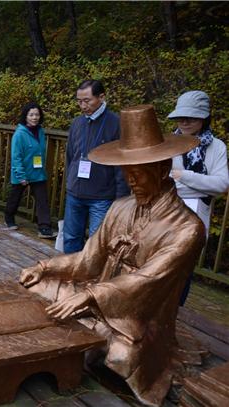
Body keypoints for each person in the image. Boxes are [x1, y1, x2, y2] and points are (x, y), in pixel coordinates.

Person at [20, 105, 204, 407]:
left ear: (161, 169)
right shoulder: (120, 208)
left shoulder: (187, 228)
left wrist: (90, 297)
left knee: (121, 355)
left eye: (138, 174)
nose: (131, 182)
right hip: (97, 295)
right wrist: (44, 267)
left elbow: (148, 280)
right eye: (126, 174)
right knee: (35, 285)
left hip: (137, 317)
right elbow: (88, 260)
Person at [166, 90, 229, 304]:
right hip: (164, 214)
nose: (184, 121)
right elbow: (164, 182)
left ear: (203, 117)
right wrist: (201, 184)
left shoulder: (216, 146)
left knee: (183, 270)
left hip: (195, 219)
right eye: (180, 117)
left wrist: (184, 175)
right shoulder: (169, 142)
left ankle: (172, 315)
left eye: (191, 117)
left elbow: (221, 184)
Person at [63, 79, 129, 253]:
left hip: (101, 196)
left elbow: (122, 164)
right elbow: (70, 155)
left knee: (97, 244)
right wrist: (69, 182)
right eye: (79, 101)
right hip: (74, 192)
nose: (82, 105)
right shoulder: (77, 122)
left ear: (101, 97)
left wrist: (120, 199)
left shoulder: (116, 123)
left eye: (87, 100)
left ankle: (91, 280)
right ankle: (68, 276)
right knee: (70, 238)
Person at [4, 102, 56, 239]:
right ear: (25, 116)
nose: (35, 117)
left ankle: (44, 227)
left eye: (37, 114)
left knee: (42, 200)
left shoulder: (40, 131)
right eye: (31, 115)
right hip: (22, 172)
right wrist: (21, 175)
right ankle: (9, 217)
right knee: (15, 198)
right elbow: (16, 156)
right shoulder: (19, 134)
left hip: (38, 172)